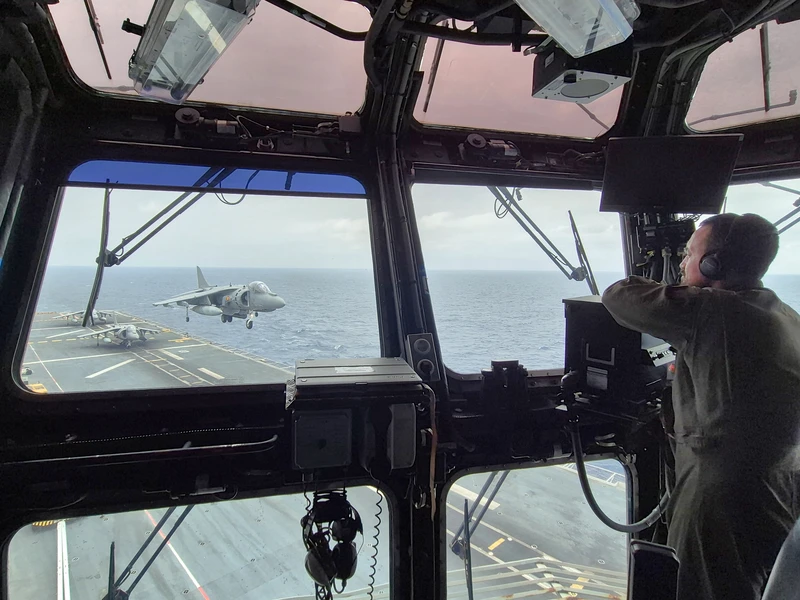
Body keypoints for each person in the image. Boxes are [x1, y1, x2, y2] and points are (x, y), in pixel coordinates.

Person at [601, 213, 800, 600]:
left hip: (720, 495)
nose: (682, 263)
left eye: (690, 254)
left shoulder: (711, 310)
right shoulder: (785, 315)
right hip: (781, 487)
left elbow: (618, 295)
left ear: (714, 265)